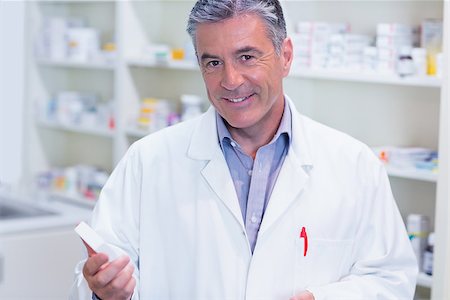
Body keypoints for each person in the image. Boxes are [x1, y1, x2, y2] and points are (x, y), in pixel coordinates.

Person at [70, 1, 418, 299]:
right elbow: (99, 276)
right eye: (213, 63)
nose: (231, 80)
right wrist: (104, 290)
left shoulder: (353, 165)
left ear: (285, 56)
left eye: (247, 56)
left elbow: (392, 281)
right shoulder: (148, 161)